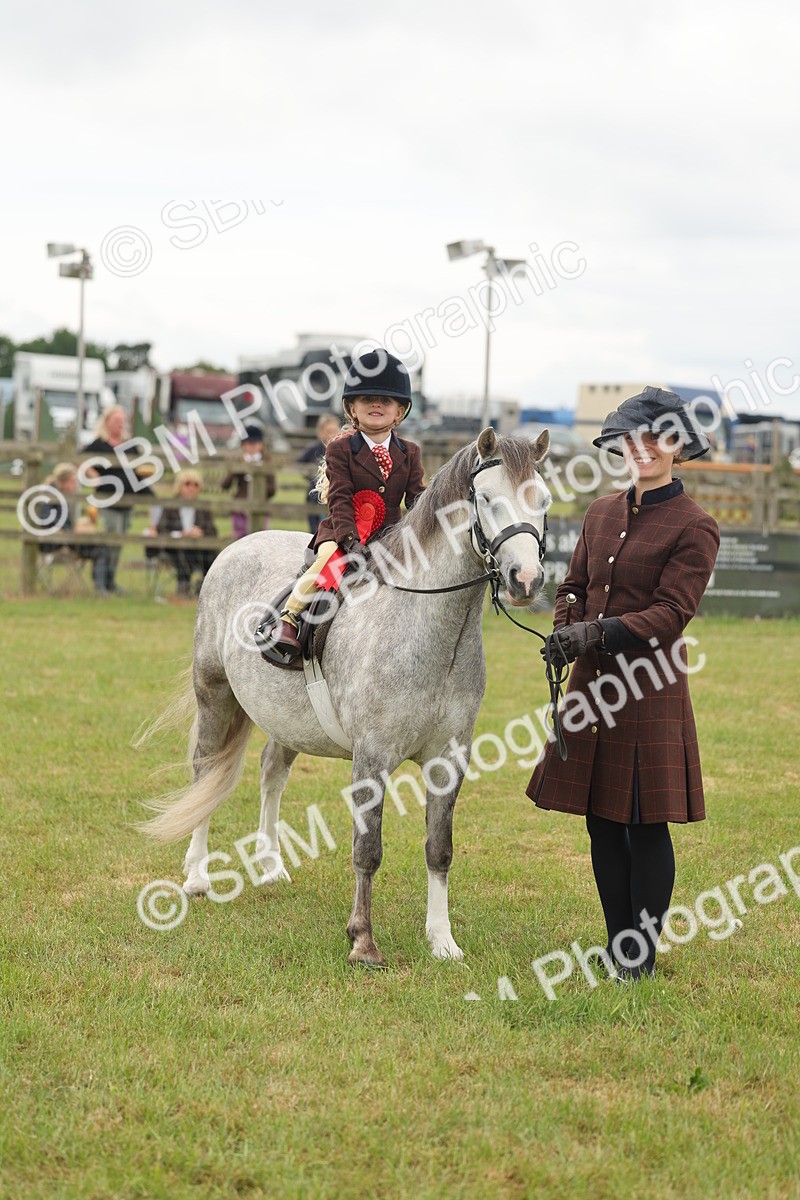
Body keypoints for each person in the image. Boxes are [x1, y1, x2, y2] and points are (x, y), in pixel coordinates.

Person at [526, 387, 720, 981]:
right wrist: (564, 632)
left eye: (659, 437)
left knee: (644, 822)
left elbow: (670, 613)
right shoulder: (601, 511)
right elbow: (572, 587)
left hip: (648, 688)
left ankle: (641, 955)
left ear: (678, 445)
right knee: (602, 820)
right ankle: (617, 946)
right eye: (635, 438)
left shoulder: (696, 525)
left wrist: (595, 635)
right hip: (590, 686)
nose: (645, 449)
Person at [262, 349, 425, 661]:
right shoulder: (340, 448)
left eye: (386, 401)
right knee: (329, 562)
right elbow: (339, 498)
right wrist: (350, 542)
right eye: (366, 399)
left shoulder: (411, 452)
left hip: (389, 539)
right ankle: (289, 618)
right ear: (352, 407)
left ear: (400, 411)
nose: (376, 405)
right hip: (342, 532)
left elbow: (416, 499)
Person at [83, 405, 152, 595]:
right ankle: (101, 583)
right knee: (109, 539)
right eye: (116, 421)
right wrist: (93, 475)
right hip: (107, 500)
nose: (120, 424)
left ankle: (111, 581)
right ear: (106, 422)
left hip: (127, 501)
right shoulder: (98, 444)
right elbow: (82, 461)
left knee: (119, 542)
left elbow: (140, 468)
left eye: (122, 421)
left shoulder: (130, 445)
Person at [156, 469, 218, 597]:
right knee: (183, 554)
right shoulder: (170, 506)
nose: (191, 488)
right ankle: (183, 588)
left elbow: (213, 531)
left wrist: (201, 534)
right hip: (175, 549)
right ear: (179, 487)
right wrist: (182, 535)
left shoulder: (203, 508)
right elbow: (161, 529)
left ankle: (204, 589)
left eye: (195, 485)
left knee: (214, 555)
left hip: (199, 548)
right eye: (187, 484)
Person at [38, 462, 101, 587]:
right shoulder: (50, 495)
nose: (75, 485)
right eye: (73, 481)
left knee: (101, 546)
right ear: (62, 482)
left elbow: (66, 524)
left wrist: (84, 523)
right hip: (53, 542)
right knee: (100, 550)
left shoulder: (61, 496)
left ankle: (103, 586)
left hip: (65, 539)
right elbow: (45, 519)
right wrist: (67, 530)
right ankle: (101, 587)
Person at [220, 426, 276, 539]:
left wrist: (258, 481)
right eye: (248, 443)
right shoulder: (238, 461)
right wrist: (239, 469)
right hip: (240, 508)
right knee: (240, 539)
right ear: (243, 445)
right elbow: (225, 484)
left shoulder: (267, 462)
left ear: (261, 445)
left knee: (260, 539)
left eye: (255, 443)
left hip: (260, 507)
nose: (252, 446)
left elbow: (272, 489)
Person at [296, 412, 341, 533]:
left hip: (336, 495)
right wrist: (312, 476)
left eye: (335, 430)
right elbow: (299, 463)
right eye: (328, 431)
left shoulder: (342, 449)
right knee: (315, 529)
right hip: (315, 495)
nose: (332, 434)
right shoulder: (314, 449)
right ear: (321, 432)